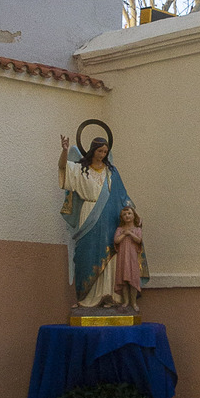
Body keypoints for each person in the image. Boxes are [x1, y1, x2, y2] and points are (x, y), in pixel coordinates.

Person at [58, 128, 146, 307]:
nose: (102, 154)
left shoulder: (111, 172)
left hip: (110, 217)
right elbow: (62, 168)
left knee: (110, 254)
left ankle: (110, 296)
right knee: (85, 254)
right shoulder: (80, 169)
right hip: (88, 213)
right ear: (93, 150)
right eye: (100, 151)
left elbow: (122, 196)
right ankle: (85, 298)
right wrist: (65, 150)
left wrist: (135, 215)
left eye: (105, 152)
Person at [112, 204, 144, 312]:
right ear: (122, 217)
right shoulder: (120, 229)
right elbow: (116, 241)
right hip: (122, 257)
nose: (127, 216)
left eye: (129, 213)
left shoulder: (137, 229)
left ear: (134, 215)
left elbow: (139, 240)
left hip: (132, 257)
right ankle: (125, 301)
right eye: (124, 214)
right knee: (124, 280)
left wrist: (130, 233)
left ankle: (133, 302)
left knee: (133, 279)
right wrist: (124, 234)